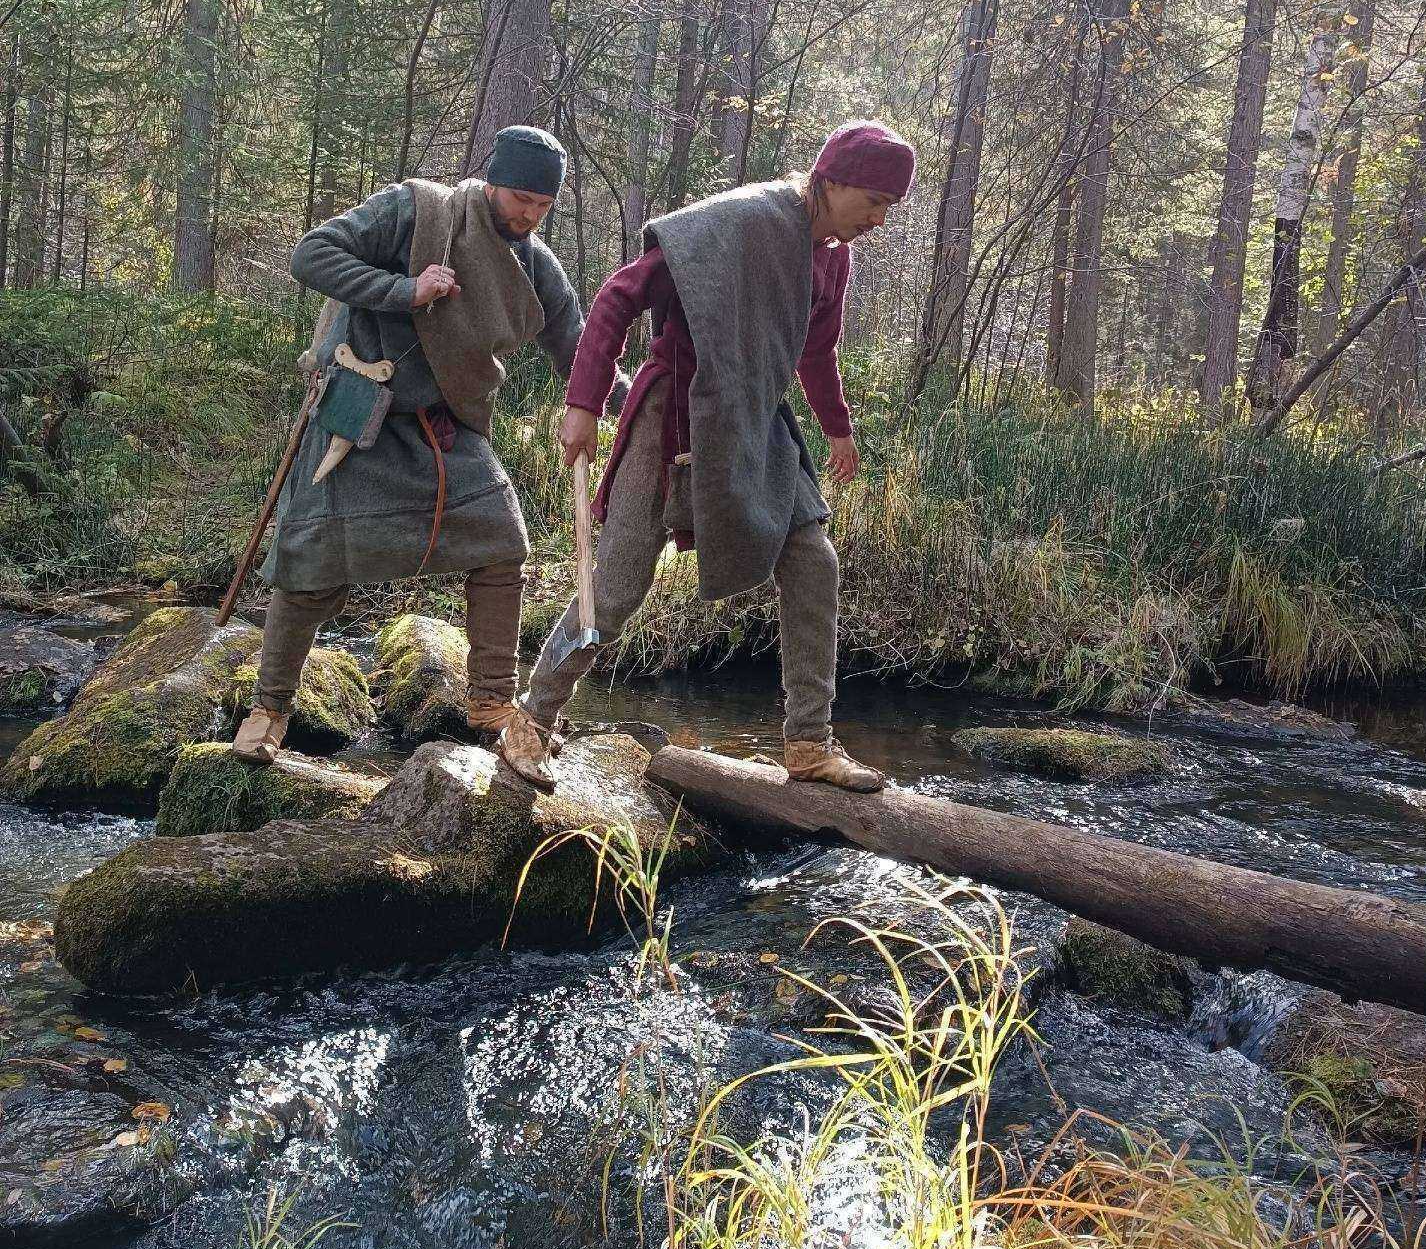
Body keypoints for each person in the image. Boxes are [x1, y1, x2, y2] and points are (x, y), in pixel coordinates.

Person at [520, 119, 915, 790]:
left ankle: (809, 742)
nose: (879, 219)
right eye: (874, 201)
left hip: (757, 419)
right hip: (672, 415)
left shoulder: (833, 258)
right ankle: (532, 719)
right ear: (832, 180)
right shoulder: (740, 219)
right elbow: (619, 297)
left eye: (889, 207)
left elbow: (817, 352)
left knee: (814, 560)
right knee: (614, 592)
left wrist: (838, 428)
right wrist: (584, 403)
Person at [232, 125, 616, 786]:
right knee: (311, 566)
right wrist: (404, 290)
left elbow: (577, 351)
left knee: (502, 546)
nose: (530, 214)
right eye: (520, 198)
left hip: (445, 426)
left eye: (543, 205)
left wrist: (632, 401)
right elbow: (311, 255)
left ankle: (492, 704)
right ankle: (270, 709)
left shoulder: (535, 267)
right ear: (491, 182)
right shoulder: (416, 211)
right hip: (360, 416)